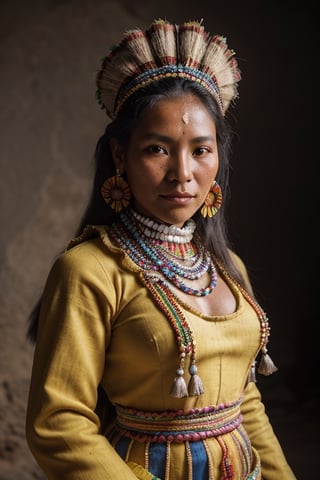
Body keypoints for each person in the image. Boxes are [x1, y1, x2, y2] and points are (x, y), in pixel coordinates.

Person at [25, 18, 296, 480]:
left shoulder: (229, 269)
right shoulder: (89, 269)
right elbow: (59, 423)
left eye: (200, 150)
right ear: (119, 156)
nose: (182, 174)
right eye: (157, 149)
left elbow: (244, 402)